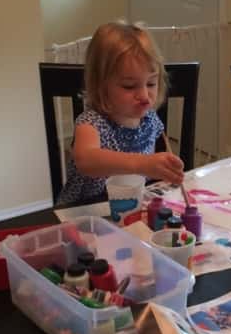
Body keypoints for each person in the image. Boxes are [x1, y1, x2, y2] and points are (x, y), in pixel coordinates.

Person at [56, 22, 184, 204]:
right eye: (129, 86)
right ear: (101, 86)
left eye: (151, 83)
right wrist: (143, 163)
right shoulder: (92, 123)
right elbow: (85, 160)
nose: (144, 96)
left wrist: (166, 167)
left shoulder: (150, 119)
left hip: (128, 207)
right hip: (84, 214)